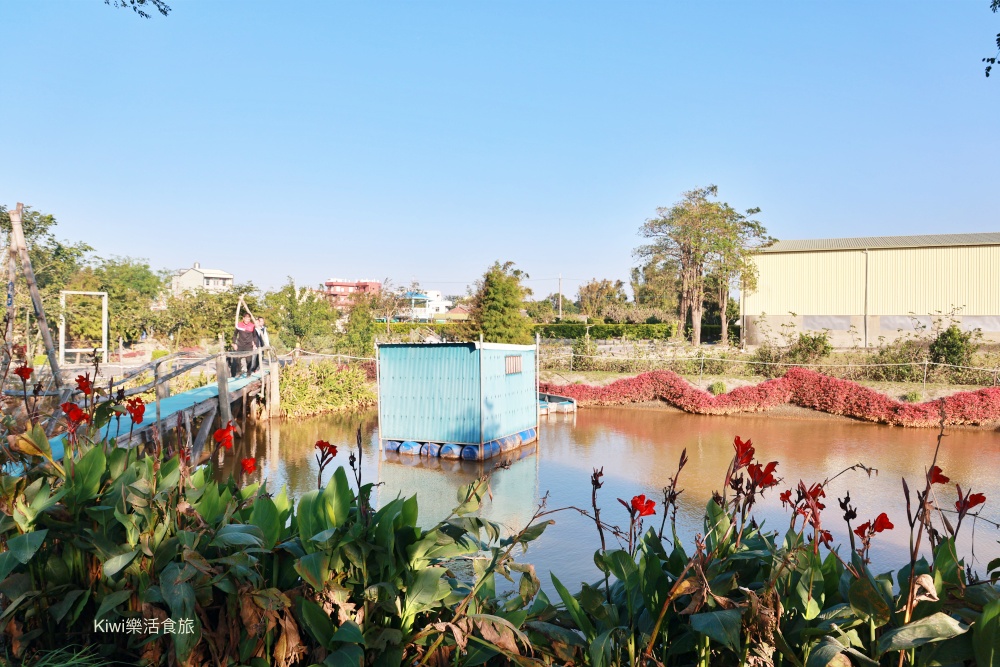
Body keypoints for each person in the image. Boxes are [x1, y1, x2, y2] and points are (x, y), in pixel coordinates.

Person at [231, 312, 258, 377]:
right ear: (243, 318)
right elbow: (235, 335)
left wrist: (254, 344)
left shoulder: (252, 326)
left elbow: (255, 336)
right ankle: (239, 372)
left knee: (248, 360)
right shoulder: (239, 325)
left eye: (248, 319)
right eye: (246, 319)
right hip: (240, 344)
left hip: (249, 345)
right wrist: (234, 343)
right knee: (237, 359)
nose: (247, 320)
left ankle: (248, 373)